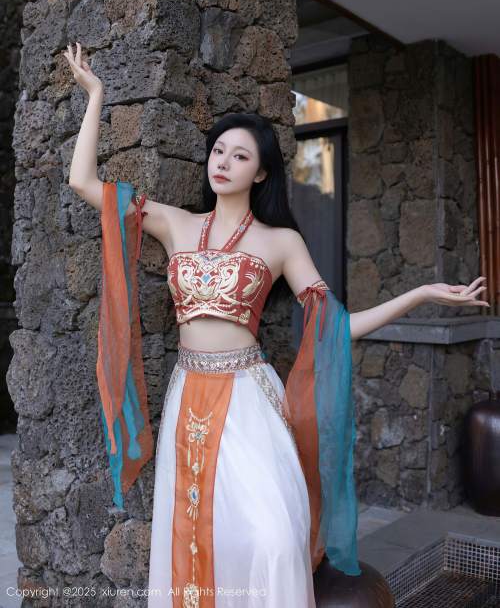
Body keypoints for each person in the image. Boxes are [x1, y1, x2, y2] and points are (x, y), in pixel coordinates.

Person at [64, 42, 490, 608]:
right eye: (219, 151)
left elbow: (334, 328)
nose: (223, 162)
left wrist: (420, 295)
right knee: (196, 532)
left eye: (239, 156)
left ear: (261, 171)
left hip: (249, 400)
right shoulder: (174, 223)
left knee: (274, 538)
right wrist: (95, 94)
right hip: (189, 395)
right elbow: (83, 181)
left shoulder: (281, 242)